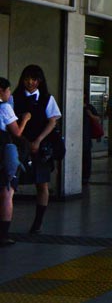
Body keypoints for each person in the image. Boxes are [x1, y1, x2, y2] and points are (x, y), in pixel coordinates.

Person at [12, 65, 61, 234]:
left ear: (40, 80)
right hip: (19, 146)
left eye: (34, 79)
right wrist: (25, 141)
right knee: (11, 183)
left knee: (42, 184)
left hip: (41, 147)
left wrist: (38, 140)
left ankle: (38, 222)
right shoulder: (14, 98)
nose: (30, 82)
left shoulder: (47, 99)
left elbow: (52, 121)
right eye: (27, 79)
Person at [0, 77, 31, 246]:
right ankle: (3, 234)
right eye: (8, 90)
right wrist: (25, 118)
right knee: (6, 192)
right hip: (2, 153)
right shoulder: (4, 107)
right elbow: (17, 132)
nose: (9, 93)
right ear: (2, 90)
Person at [81, 97, 101, 187]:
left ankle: (85, 177)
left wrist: (91, 115)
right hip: (77, 136)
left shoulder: (89, 108)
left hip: (86, 136)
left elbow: (97, 118)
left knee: (86, 156)